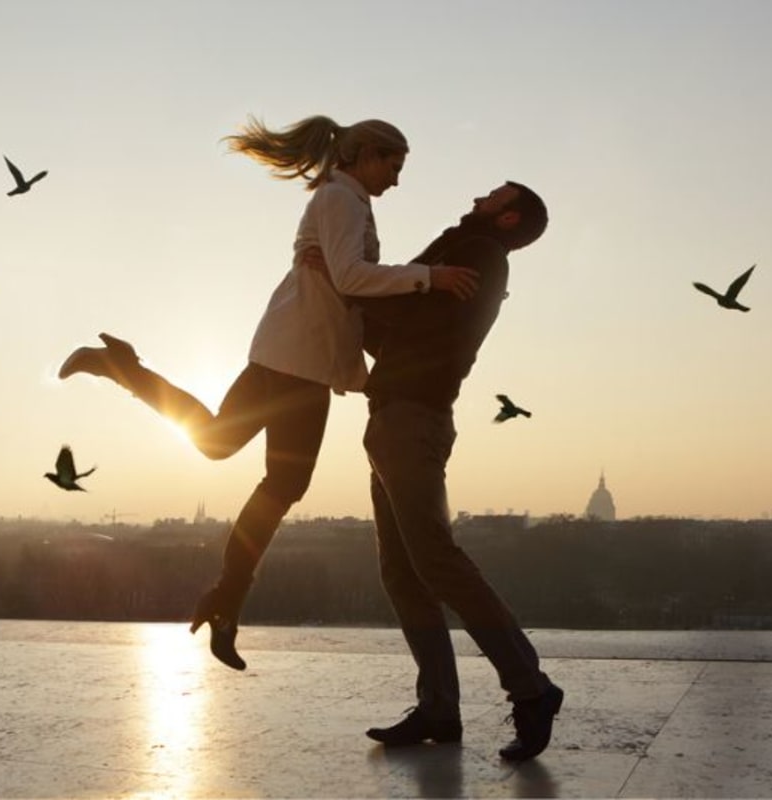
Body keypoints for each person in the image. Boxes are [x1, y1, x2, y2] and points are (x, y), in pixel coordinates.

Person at [56, 115, 478, 671]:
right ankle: (227, 598)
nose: (397, 180)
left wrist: (357, 297)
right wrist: (429, 275)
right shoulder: (341, 201)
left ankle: (226, 599)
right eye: (394, 166)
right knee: (270, 474)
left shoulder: (344, 200)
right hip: (295, 357)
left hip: (294, 353)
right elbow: (352, 279)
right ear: (367, 154)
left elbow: (343, 284)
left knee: (230, 451)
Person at [308, 180, 562, 761]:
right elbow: (399, 324)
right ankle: (439, 709)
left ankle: (531, 688)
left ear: (506, 218)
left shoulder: (475, 256)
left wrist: (343, 280)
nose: (477, 198)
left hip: (412, 420)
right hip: (397, 416)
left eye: (491, 196)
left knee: (435, 561)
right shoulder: (466, 249)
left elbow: (402, 317)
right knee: (403, 571)